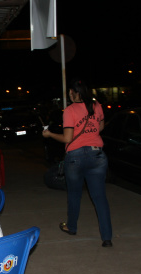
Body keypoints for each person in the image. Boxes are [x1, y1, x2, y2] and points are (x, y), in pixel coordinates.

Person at [42, 78, 113, 247]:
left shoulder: (69, 110)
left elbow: (68, 138)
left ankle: (72, 227)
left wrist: (49, 134)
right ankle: (107, 237)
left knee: (74, 195)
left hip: (75, 157)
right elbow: (100, 127)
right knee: (100, 197)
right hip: (97, 155)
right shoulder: (97, 106)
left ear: (73, 93)